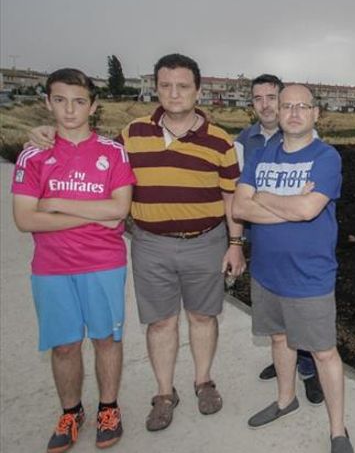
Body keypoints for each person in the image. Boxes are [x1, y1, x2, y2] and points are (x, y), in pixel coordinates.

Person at [28, 54, 246, 432]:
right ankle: (164, 394)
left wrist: (235, 243)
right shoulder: (132, 134)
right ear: (156, 88)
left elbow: (231, 199)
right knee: (160, 322)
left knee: (202, 316)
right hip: (151, 243)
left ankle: (203, 381)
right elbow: (91, 151)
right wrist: (47, 132)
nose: (173, 93)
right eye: (165, 85)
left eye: (182, 86)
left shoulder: (220, 140)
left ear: (198, 90)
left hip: (205, 241)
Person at [13, 68, 135, 452]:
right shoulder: (33, 154)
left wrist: (55, 205)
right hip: (52, 268)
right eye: (61, 100)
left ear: (93, 106)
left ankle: (108, 408)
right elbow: (25, 218)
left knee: (105, 339)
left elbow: (120, 209)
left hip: (103, 262)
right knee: (64, 345)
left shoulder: (113, 152)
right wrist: (94, 213)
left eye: (79, 101)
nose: (69, 110)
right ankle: (71, 411)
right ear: (48, 102)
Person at [233, 84, 353, 452]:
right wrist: (289, 202)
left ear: (316, 113)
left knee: (323, 352)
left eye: (303, 106)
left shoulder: (326, 157)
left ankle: (337, 430)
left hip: (310, 276)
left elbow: (308, 211)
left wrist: (265, 197)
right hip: (267, 273)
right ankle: (286, 400)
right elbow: (239, 208)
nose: (294, 112)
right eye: (287, 106)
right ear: (276, 113)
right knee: (279, 338)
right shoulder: (261, 154)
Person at [234, 74, 324, 405]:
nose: (266, 105)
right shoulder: (246, 142)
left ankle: (309, 371)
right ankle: (284, 364)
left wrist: (265, 199)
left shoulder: (309, 141)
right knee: (278, 320)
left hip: (300, 245)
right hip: (263, 239)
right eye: (258, 99)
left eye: (272, 97)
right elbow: (241, 199)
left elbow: (309, 205)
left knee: (303, 316)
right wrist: (237, 243)